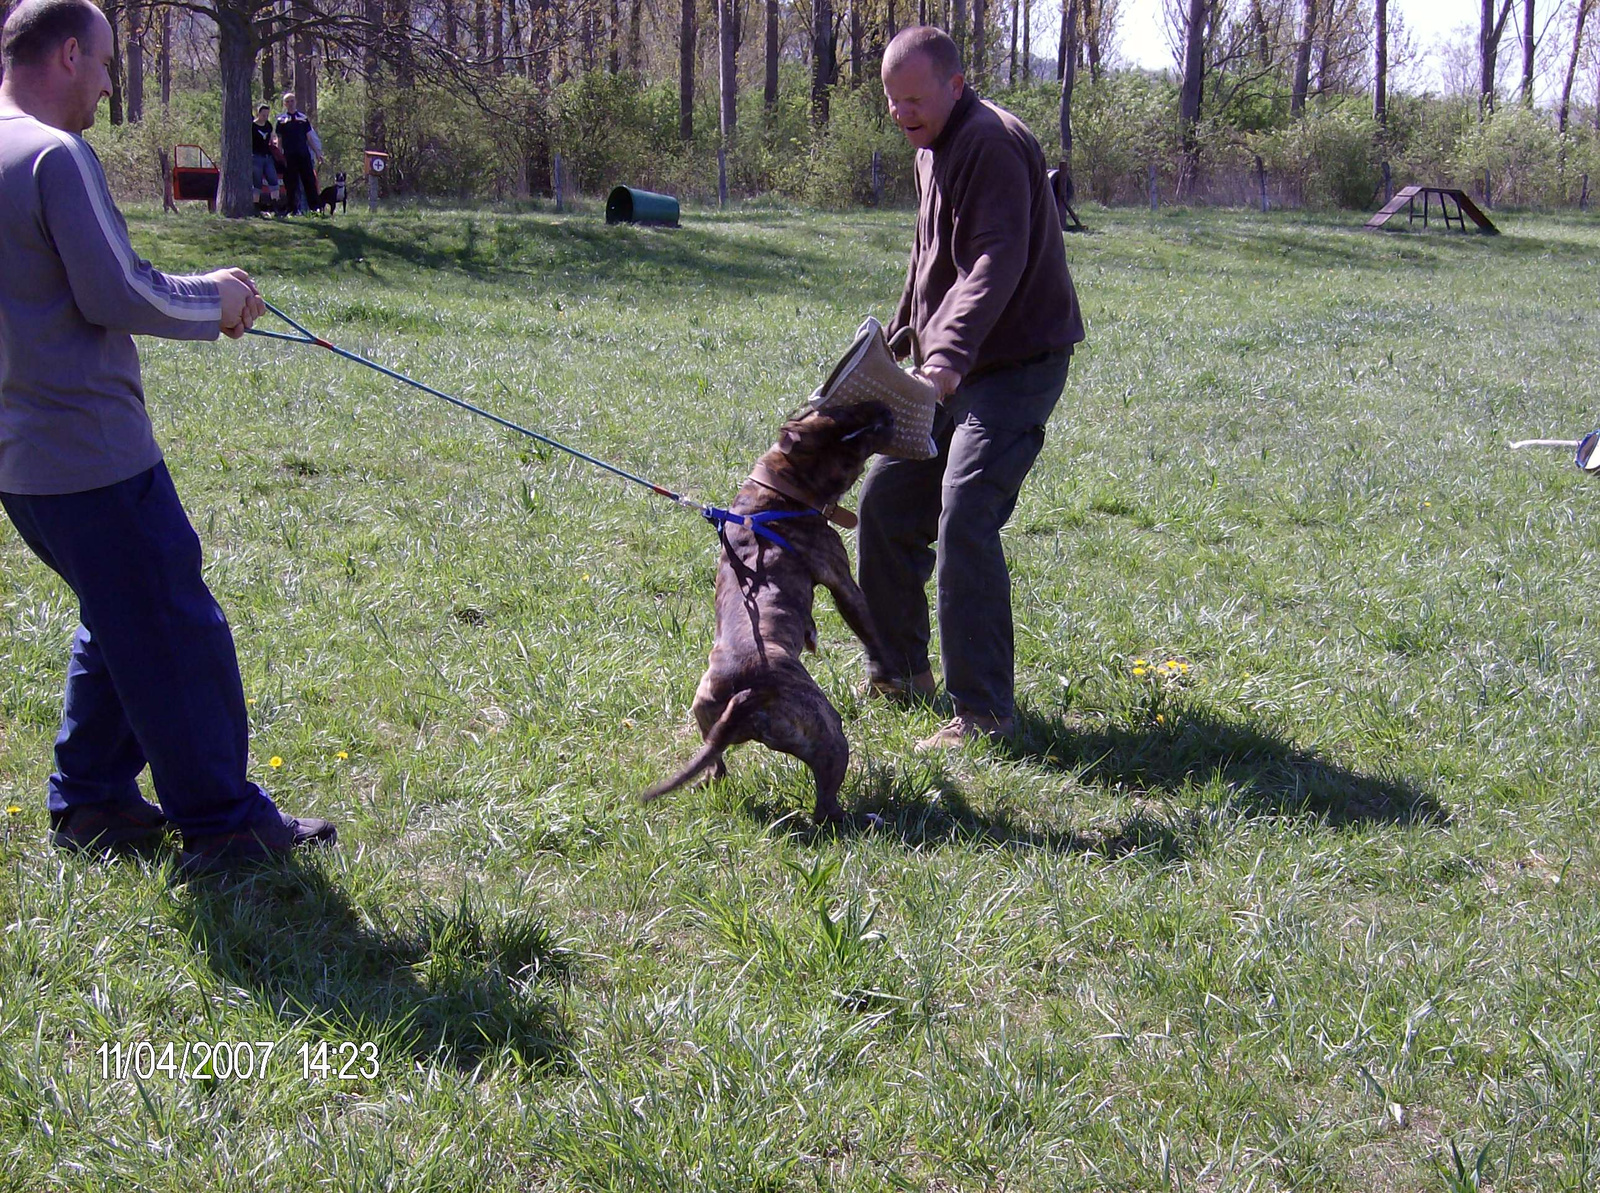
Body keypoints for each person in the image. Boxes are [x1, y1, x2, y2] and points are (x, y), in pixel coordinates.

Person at [0, 0, 337, 871]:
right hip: (92, 456)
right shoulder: (51, 155)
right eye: (108, 64)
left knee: (120, 610)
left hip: (23, 467)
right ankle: (224, 822)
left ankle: (93, 802)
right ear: (69, 53)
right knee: (174, 621)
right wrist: (215, 298)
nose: (111, 84)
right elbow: (118, 290)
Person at [859, 25, 1085, 751]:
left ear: (956, 85)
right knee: (886, 505)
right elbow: (931, 263)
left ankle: (983, 713)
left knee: (964, 512)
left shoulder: (988, 141)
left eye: (914, 99)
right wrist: (892, 352)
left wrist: (945, 360)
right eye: (892, 102)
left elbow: (993, 259)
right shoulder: (931, 146)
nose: (901, 114)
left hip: (1015, 365)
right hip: (948, 368)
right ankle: (899, 672)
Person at [274, 90, 322, 215]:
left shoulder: (303, 118)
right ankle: (292, 209)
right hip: (289, 156)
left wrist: (317, 152)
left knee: (309, 181)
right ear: (284, 104)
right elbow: (279, 140)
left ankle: (314, 208)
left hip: (303, 154)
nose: (290, 104)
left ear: (296, 102)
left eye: (292, 101)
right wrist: (279, 156)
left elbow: (309, 138)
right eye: (287, 102)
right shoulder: (281, 120)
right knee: (291, 183)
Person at [251, 101, 281, 213]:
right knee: (257, 182)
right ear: (258, 113)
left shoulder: (268, 125)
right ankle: (255, 208)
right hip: (256, 157)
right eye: (263, 115)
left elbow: (271, 138)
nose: (265, 117)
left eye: (267, 115)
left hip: (267, 157)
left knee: (273, 180)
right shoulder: (252, 126)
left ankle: (275, 206)